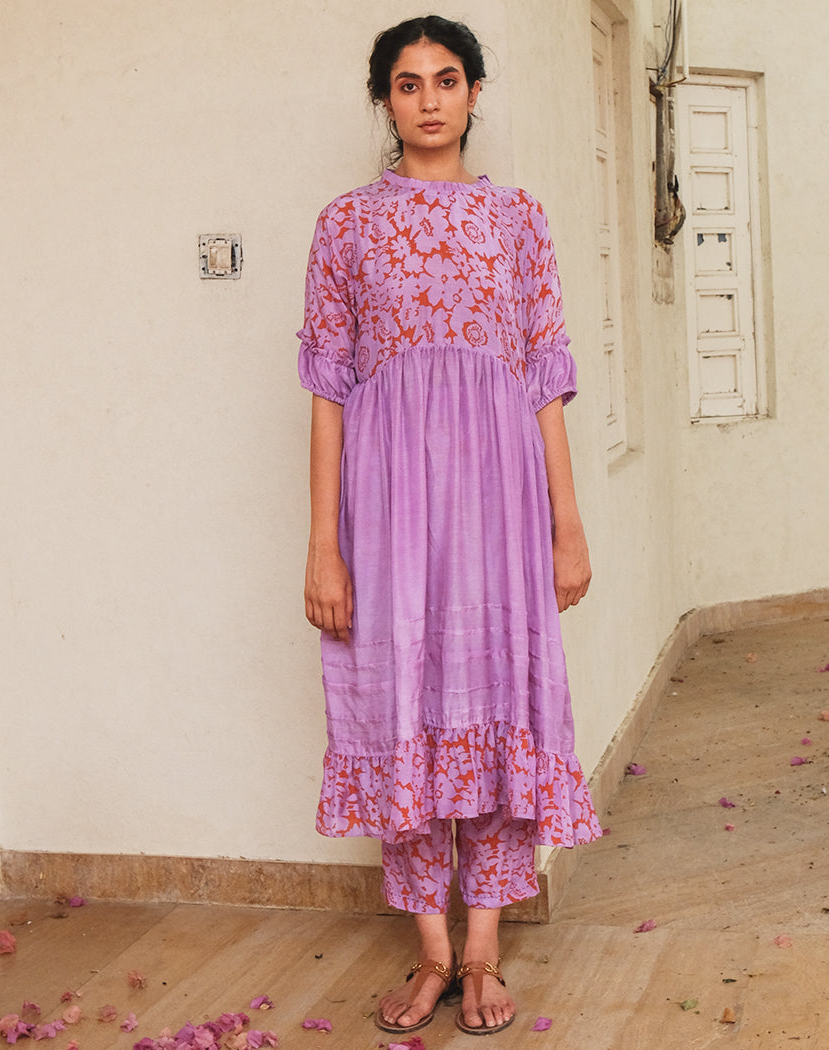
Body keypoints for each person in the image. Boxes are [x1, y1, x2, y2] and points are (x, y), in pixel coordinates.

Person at [297, 14, 601, 1036]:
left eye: (447, 79)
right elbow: (328, 393)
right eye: (407, 82)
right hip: (387, 509)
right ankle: (432, 952)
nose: (429, 99)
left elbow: (545, 381)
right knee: (401, 704)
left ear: (474, 92)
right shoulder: (345, 226)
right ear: (384, 100)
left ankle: (483, 951)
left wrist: (567, 525)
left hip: (501, 506)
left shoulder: (518, 219)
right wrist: (323, 544)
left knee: (499, 697)